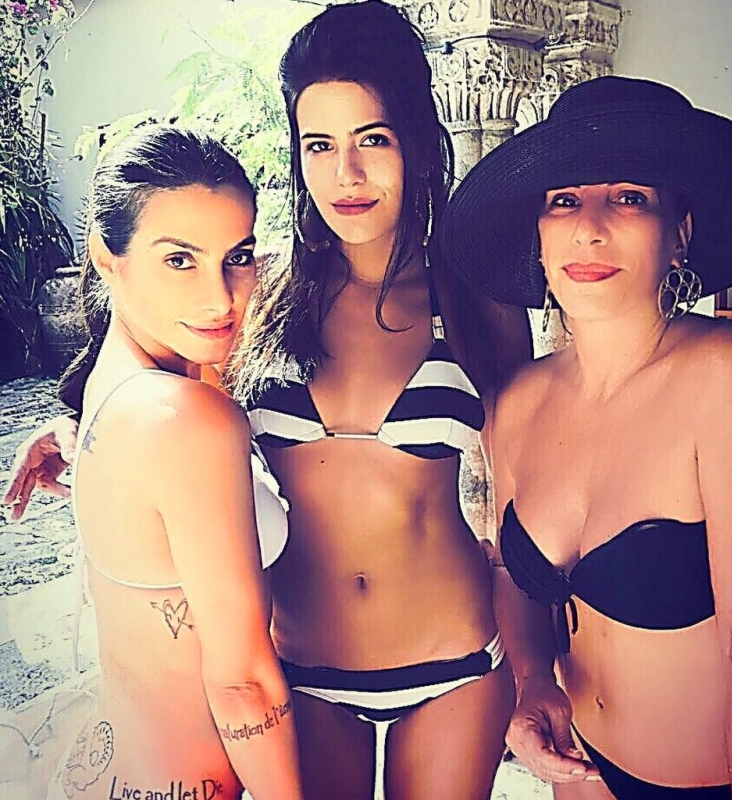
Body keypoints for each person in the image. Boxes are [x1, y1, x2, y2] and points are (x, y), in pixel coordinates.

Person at [4, 3, 531, 799]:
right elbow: (165, 403)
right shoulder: (258, 293)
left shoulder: (475, 302)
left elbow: (530, 498)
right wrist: (79, 427)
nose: (345, 174)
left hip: (455, 665)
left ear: (419, 145)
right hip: (303, 673)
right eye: (319, 144)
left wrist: (542, 668)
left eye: (373, 140)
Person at [441, 75, 732, 798]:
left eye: (629, 197)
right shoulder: (518, 402)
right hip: (580, 774)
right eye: (563, 200)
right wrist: (531, 681)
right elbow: (514, 575)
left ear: (680, 234)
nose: (589, 227)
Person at [42, 126, 302, 800]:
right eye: (180, 259)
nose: (221, 297)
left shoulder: (121, 385)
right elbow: (242, 682)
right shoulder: (185, 418)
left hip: (131, 771)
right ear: (106, 257)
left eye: (237, 256)